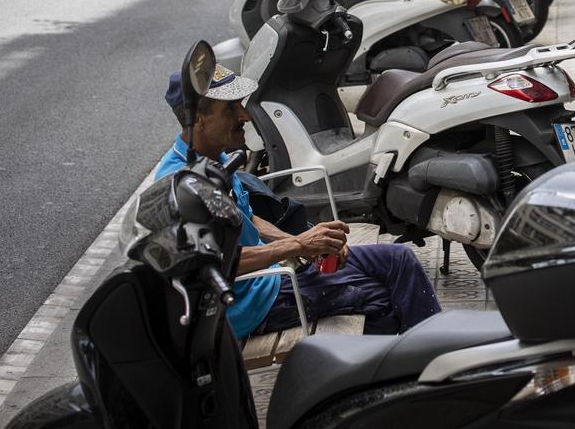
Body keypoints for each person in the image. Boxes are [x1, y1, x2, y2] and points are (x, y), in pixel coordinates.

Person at [156, 65, 441, 340]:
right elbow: (214, 264)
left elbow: (248, 218)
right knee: (379, 300)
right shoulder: (179, 185)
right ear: (199, 119)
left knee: (398, 259)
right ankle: (399, 372)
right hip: (252, 302)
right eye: (230, 108)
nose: (244, 114)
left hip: (270, 275)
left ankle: (435, 360)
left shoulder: (215, 161)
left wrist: (308, 244)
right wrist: (296, 245)